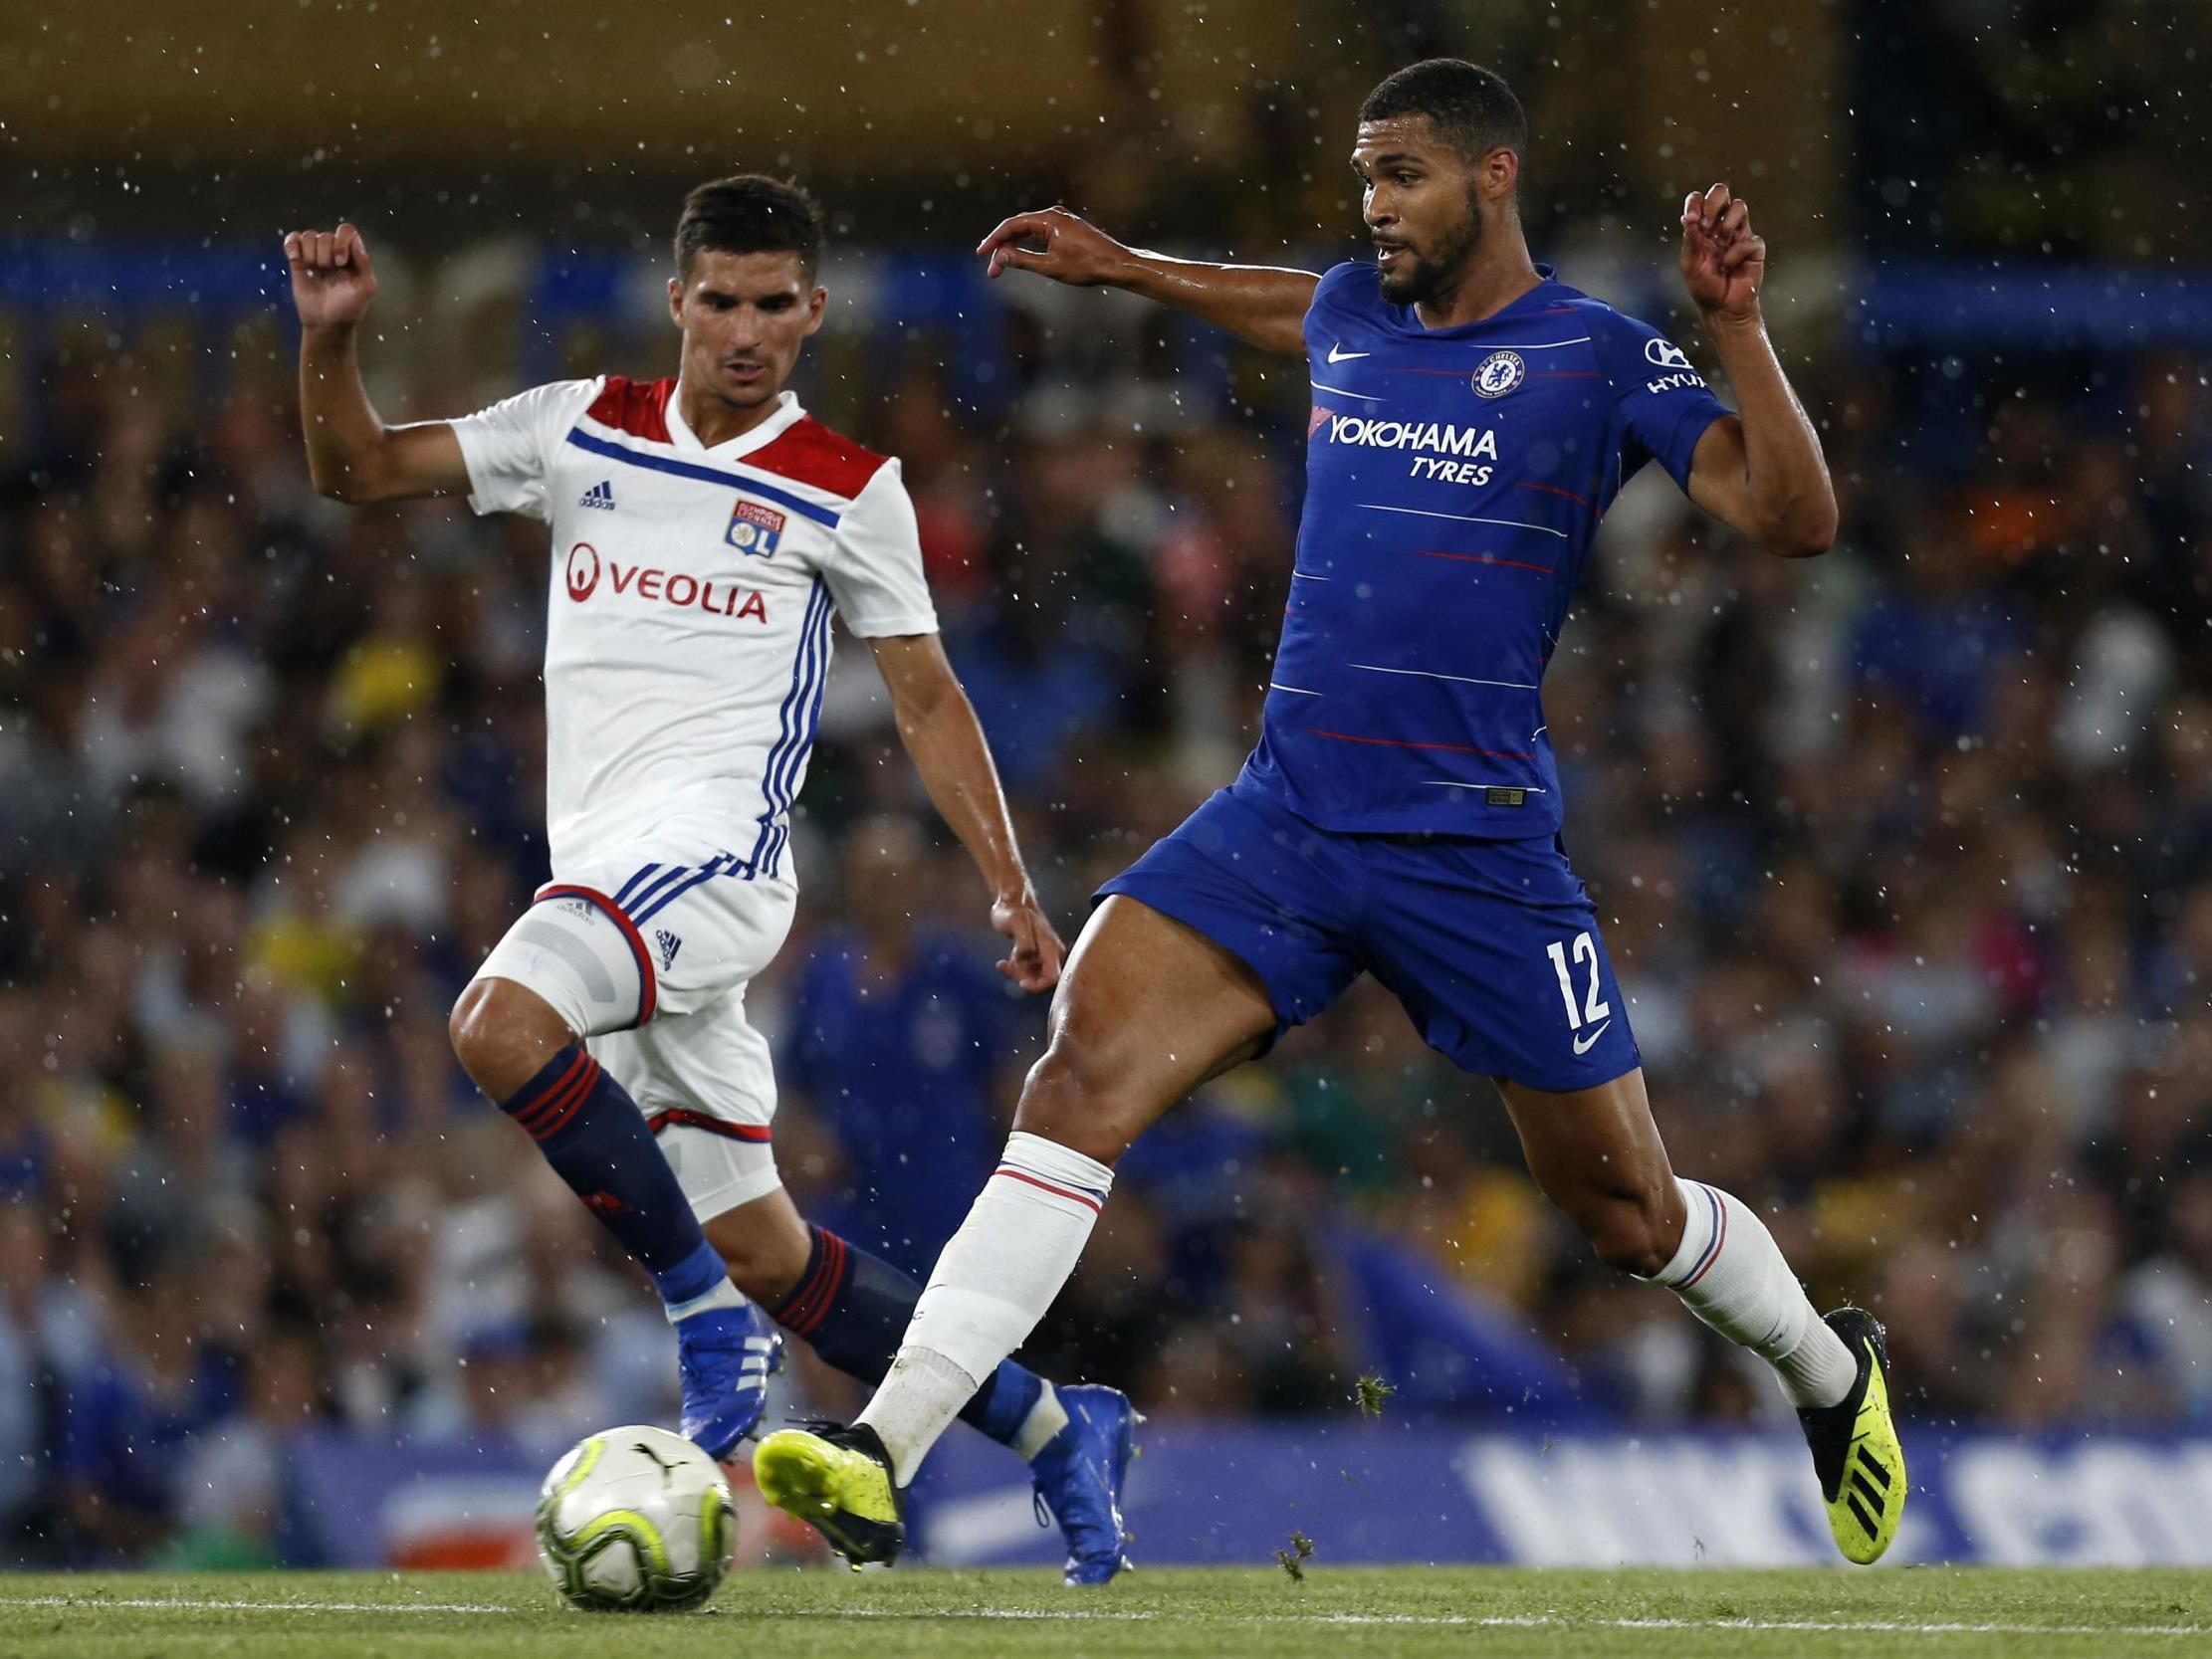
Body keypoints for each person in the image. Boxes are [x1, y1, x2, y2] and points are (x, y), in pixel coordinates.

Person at [753, 59, 1906, 1570]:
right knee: (1079, 1077)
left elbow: (1792, 517)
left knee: (1625, 1217)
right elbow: (1279, 298)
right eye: (1365, 177)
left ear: (1492, 176)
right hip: (1286, 819)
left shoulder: (1594, 353)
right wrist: (1122, 269)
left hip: (1474, 849)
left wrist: (1737, 329)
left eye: (1404, 175)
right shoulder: (1353, 315)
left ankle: (1829, 1372)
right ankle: (879, 1444)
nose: (1375, 207)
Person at [280, 174, 1138, 1583]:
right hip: (612, 877)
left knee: (498, 1026)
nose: (745, 331)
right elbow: (355, 470)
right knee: (772, 1252)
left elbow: (925, 699)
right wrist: (329, 339)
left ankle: (694, 1318)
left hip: (716, 867)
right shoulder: (578, 427)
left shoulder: (851, 489)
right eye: (721, 301)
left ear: (811, 313)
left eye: (773, 306)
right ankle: (1057, 1428)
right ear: (679, 301)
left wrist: (1008, 884)